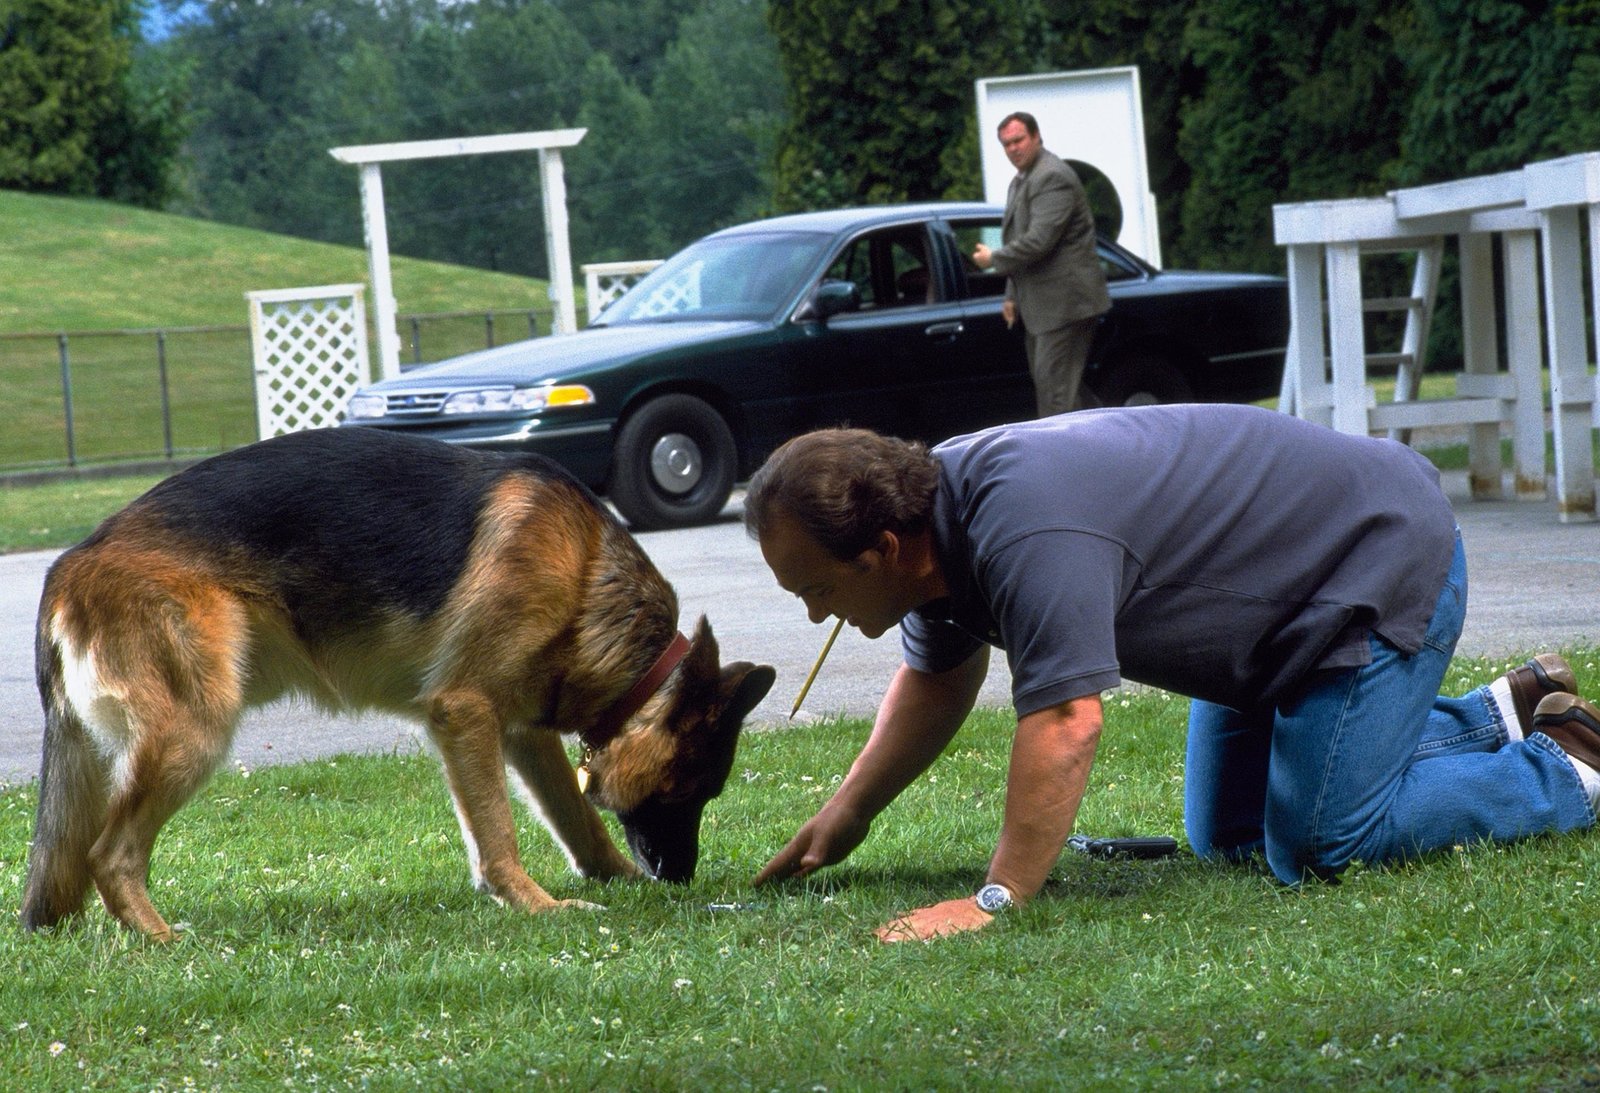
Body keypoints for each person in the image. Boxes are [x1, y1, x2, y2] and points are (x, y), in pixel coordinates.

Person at [743, 405, 1600, 942]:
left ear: (883, 549)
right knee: (1226, 834)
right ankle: (1508, 708)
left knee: (1317, 848)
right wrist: (846, 814)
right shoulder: (930, 523)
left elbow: (1067, 720)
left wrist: (995, 896)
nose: (818, 616)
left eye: (816, 589)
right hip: (1276, 620)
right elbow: (936, 680)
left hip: (1374, 563)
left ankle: (1567, 766)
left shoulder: (1020, 528)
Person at [972, 111, 1111, 417]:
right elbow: (1021, 239)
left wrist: (993, 259)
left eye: (1019, 140)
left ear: (1036, 137)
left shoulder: (1052, 176)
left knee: (1055, 396)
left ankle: (1066, 461)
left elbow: (1038, 242)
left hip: (1066, 305)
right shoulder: (1020, 181)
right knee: (1063, 390)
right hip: (1042, 307)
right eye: (1006, 144)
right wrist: (1011, 294)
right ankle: (1116, 443)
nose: (1013, 149)